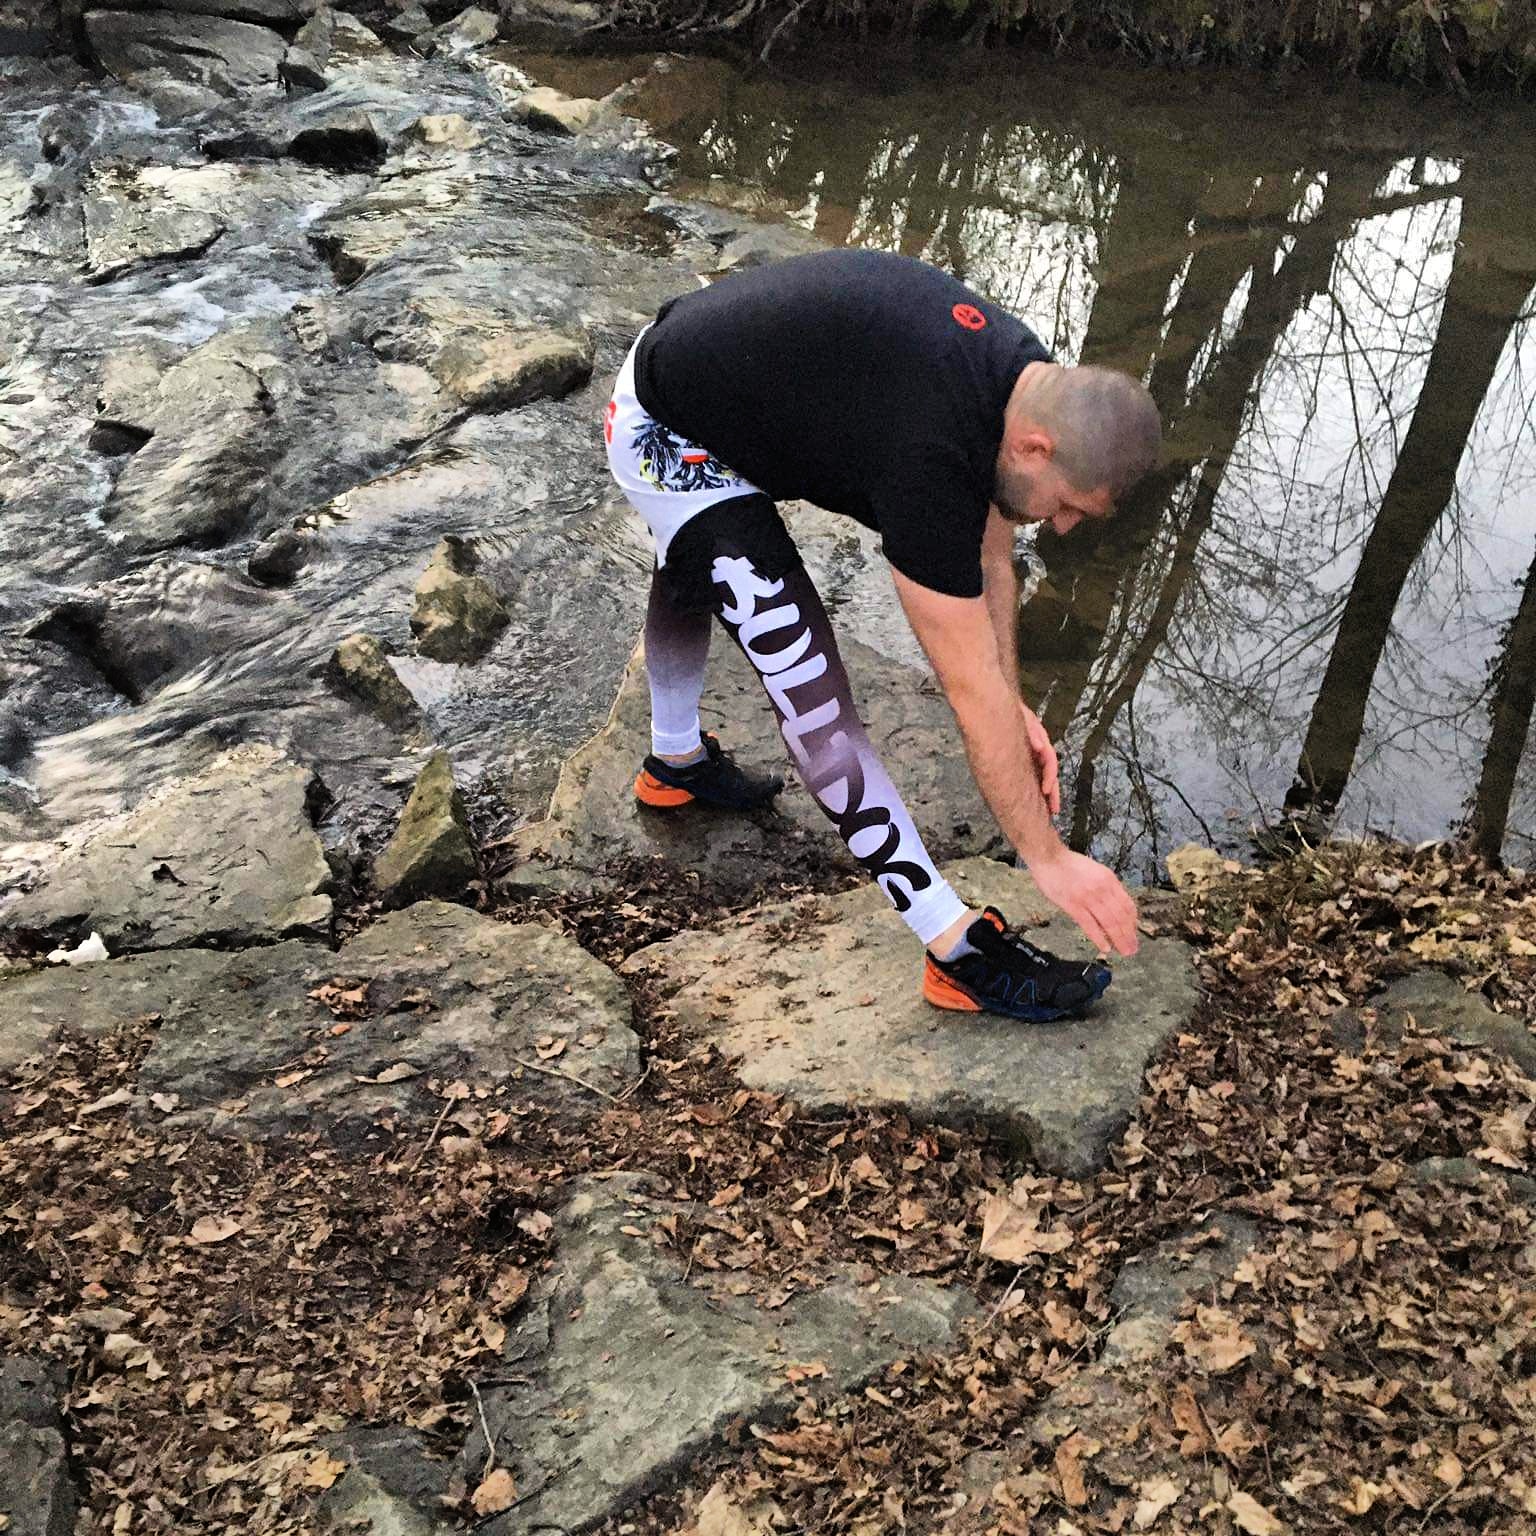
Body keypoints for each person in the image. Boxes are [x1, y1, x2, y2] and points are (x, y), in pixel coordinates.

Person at [604, 248, 1160, 1022]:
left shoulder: (1024, 380)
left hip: (720, 381)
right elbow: (965, 687)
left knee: (700, 557)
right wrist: (1047, 856)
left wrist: (1015, 701)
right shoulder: (930, 454)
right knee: (804, 674)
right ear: (1036, 447)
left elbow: (991, 553)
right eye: (1068, 505)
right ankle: (954, 951)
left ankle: (674, 764)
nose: (1062, 527)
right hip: (667, 431)